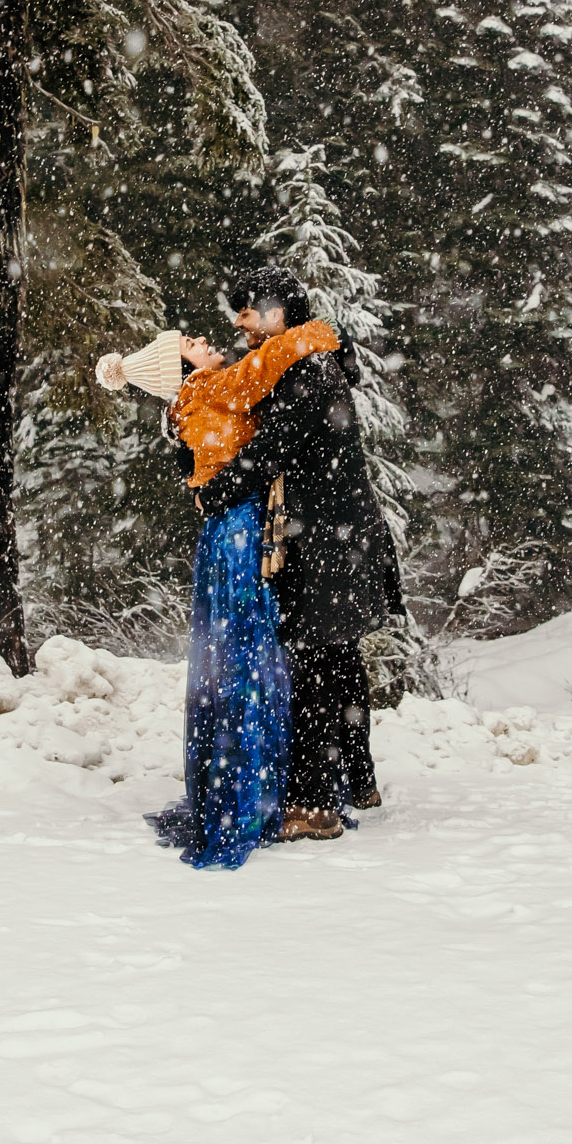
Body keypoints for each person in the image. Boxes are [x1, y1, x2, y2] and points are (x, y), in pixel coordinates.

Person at [95, 316, 339, 867]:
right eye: (190, 344)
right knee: (247, 658)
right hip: (238, 532)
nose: (203, 341)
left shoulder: (187, 403)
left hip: (222, 534)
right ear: (182, 367)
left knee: (231, 657)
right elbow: (259, 371)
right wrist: (309, 336)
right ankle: (249, 794)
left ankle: (232, 786)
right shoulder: (206, 389)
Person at [202, 267, 404, 842]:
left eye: (247, 310)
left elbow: (268, 450)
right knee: (337, 656)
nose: (239, 322)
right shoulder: (307, 362)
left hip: (327, 544)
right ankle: (355, 778)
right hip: (340, 537)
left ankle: (315, 804)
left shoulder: (304, 370)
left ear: (277, 313)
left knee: (313, 661)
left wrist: (211, 490)